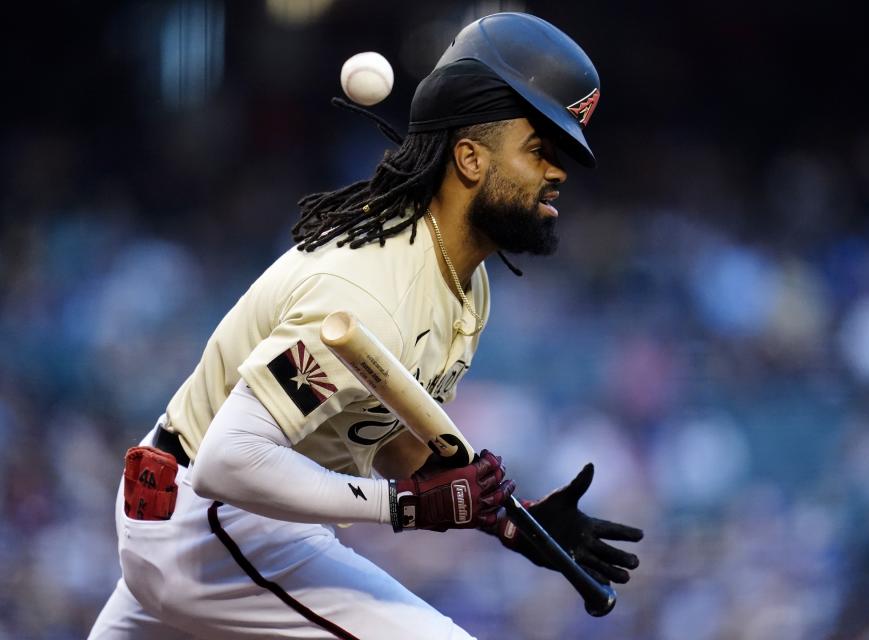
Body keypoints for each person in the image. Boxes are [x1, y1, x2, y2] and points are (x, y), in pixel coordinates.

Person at [89, 12, 642, 640]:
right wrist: (404, 507)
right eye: (540, 149)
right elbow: (229, 460)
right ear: (469, 158)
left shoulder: (463, 279)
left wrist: (506, 520)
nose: (559, 171)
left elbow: (375, 431)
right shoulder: (369, 287)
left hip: (204, 517)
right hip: (213, 518)